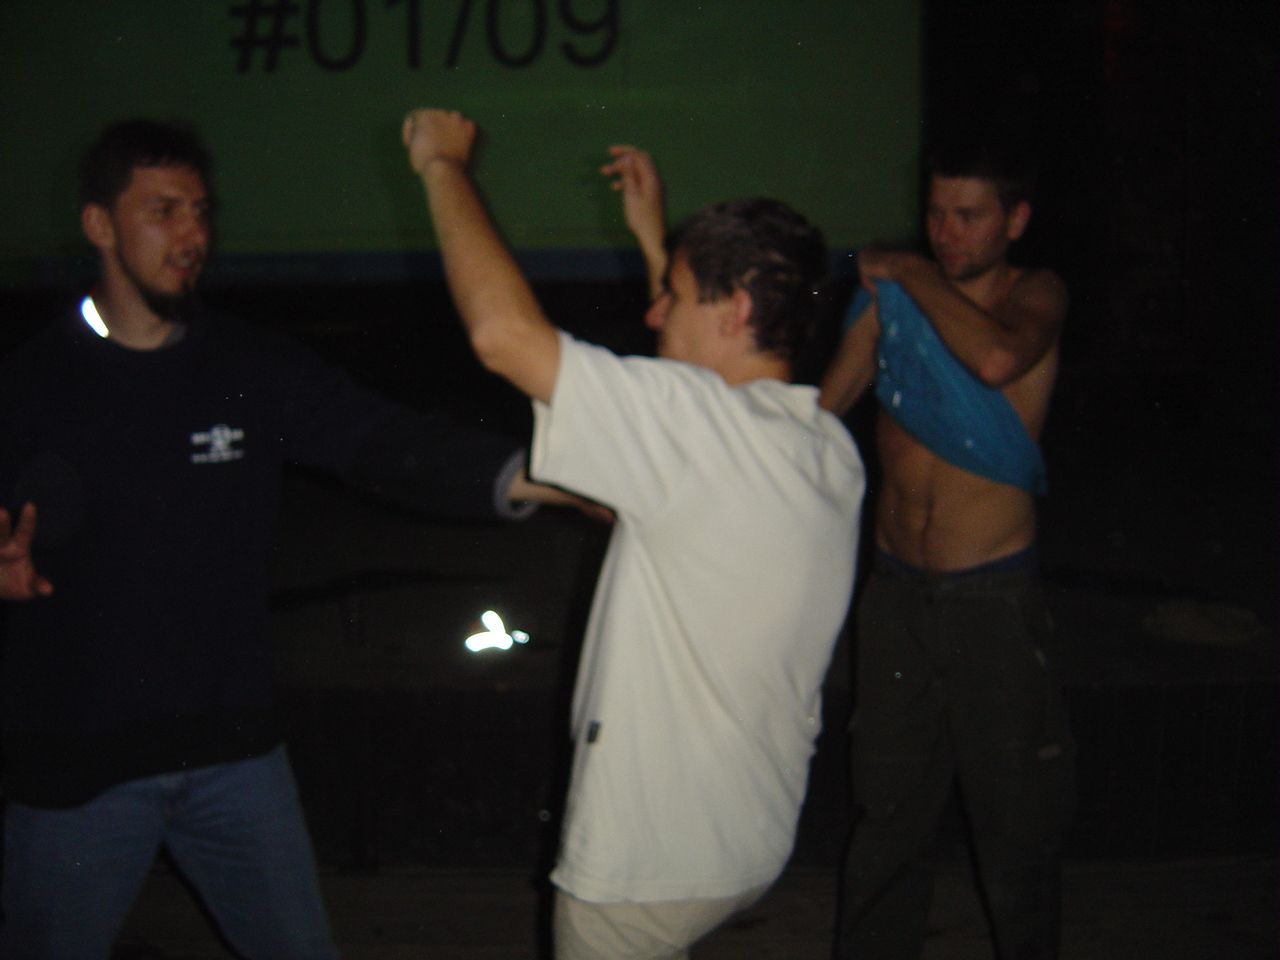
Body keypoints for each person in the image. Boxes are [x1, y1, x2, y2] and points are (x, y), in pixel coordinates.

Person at [0, 118, 552, 958]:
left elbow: (380, 441)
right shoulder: (31, 386)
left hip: (232, 758)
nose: (192, 234)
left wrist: (536, 477)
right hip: (79, 767)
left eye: (200, 211)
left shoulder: (248, 367)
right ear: (99, 225)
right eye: (162, 211)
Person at [402, 109, 865, 960]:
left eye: (673, 297)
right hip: (745, 838)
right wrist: (659, 241)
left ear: (736, 308)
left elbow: (503, 337)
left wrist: (444, 168)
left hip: (644, 866)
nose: (654, 316)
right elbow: (707, 393)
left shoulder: (694, 434)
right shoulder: (824, 448)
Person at [819, 137, 1075, 960]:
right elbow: (823, 411)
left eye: (969, 216)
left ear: (1016, 220)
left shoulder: (1034, 293)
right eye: (936, 214)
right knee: (888, 809)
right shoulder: (893, 301)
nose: (947, 233)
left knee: (1016, 819)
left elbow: (997, 359)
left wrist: (906, 268)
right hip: (896, 591)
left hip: (990, 598)